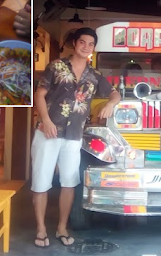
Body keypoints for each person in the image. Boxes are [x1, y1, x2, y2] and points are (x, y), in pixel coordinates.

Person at [32, 28, 121, 248]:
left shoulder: (95, 75)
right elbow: (39, 94)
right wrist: (47, 120)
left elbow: (115, 93)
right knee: (41, 182)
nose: (86, 47)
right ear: (74, 43)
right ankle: (41, 229)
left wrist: (111, 103)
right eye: (83, 42)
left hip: (74, 135)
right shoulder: (56, 66)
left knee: (69, 182)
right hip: (48, 131)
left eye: (91, 44)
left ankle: (62, 227)